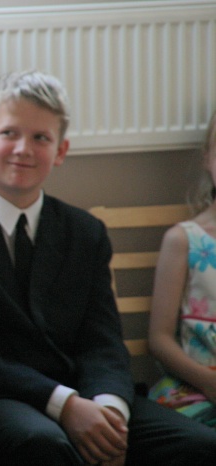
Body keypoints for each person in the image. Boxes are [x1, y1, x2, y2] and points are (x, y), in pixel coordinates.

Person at [0, 70, 216, 465]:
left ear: (61, 151)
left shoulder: (85, 231)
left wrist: (110, 409)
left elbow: (103, 340)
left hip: (86, 391)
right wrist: (64, 405)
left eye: (41, 138)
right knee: (44, 444)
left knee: (198, 445)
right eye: (9, 133)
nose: (23, 149)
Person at [147, 110, 216, 428]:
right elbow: (159, 339)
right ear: (207, 158)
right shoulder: (184, 240)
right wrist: (207, 381)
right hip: (197, 387)